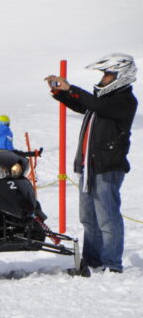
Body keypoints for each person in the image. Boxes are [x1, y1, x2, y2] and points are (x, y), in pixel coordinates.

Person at [47, 53, 137, 274]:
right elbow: (84, 106)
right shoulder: (103, 101)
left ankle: (112, 265)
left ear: (121, 75)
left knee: (107, 218)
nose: (103, 78)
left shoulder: (124, 100)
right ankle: (92, 262)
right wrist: (60, 92)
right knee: (89, 218)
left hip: (107, 167)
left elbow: (95, 105)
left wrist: (71, 88)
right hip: (89, 167)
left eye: (108, 74)